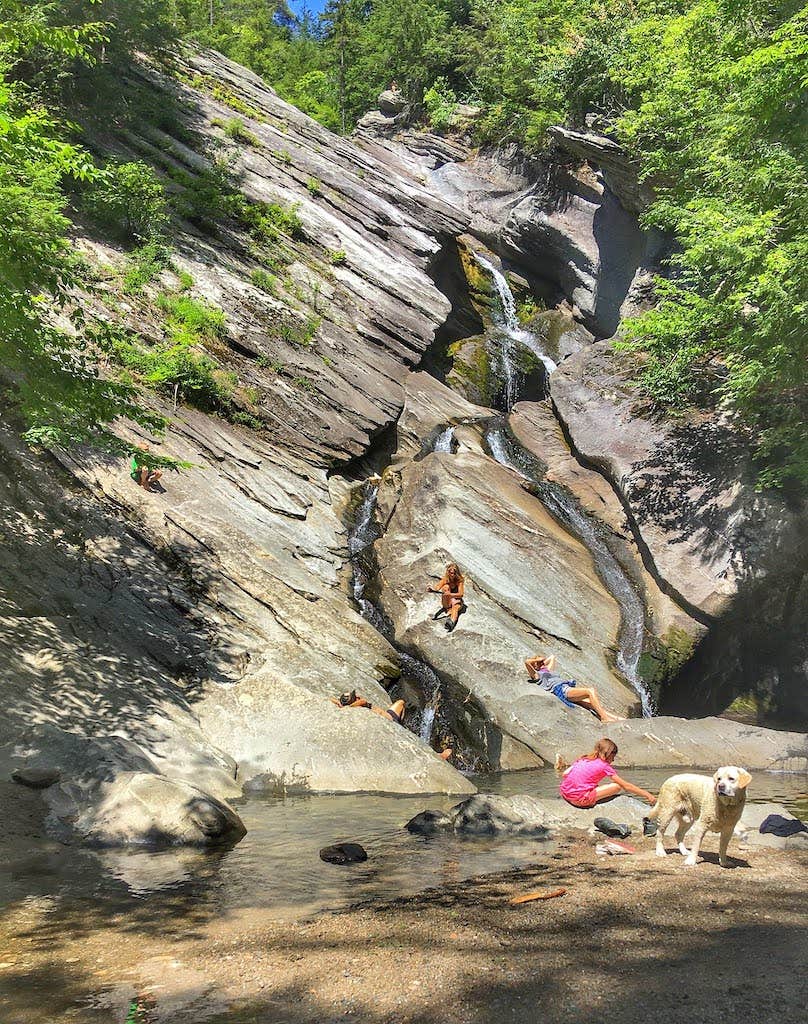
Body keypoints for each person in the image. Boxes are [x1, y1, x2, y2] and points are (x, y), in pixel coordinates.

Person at [332, 691, 452, 759]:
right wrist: (348, 706)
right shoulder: (359, 703)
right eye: (354, 697)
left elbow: (332, 699)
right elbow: (362, 701)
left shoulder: (357, 703)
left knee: (401, 702)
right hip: (389, 720)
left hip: (390, 714)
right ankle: (438, 756)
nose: (358, 696)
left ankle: (402, 724)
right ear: (353, 701)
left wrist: (342, 704)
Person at [525, 654, 623, 723]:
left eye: (542, 662)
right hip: (562, 690)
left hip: (566, 688)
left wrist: (541, 662)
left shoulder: (547, 671)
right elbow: (527, 662)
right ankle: (605, 718)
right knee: (590, 691)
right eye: (539, 662)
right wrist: (537, 661)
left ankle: (617, 719)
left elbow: (552, 657)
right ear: (535, 666)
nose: (542, 663)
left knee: (591, 703)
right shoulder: (536, 675)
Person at [559, 738, 655, 809]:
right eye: (613, 757)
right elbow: (626, 786)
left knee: (593, 785)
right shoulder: (604, 766)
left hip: (565, 795)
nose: (613, 760)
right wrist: (647, 795)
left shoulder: (584, 759)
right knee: (616, 786)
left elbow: (565, 774)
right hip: (579, 800)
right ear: (608, 754)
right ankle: (587, 799)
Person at [427, 562, 465, 633]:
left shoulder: (460, 581)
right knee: (445, 587)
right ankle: (448, 609)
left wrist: (450, 595)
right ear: (448, 572)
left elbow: (461, 594)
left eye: (454, 573)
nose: (452, 575)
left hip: (457, 600)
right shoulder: (445, 579)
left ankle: (451, 622)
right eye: (451, 573)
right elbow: (437, 587)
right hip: (447, 602)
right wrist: (432, 590)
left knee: (455, 607)